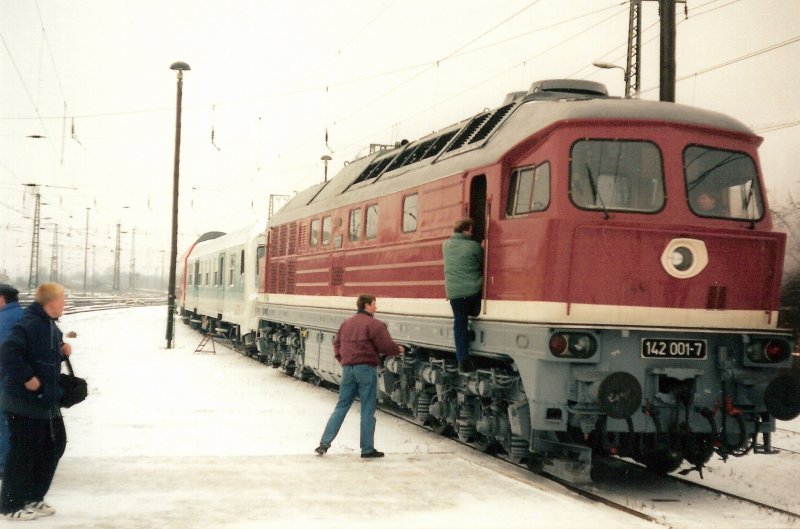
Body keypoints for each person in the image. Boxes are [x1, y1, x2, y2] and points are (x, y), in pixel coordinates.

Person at [0, 283, 71, 521]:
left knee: (54, 445)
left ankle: (33, 497)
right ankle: (10, 505)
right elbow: (9, 351)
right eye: (62, 300)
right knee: (23, 452)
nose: (64, 304)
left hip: (46, 399)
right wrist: (27, 378)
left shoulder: (48, 324)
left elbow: (41, 352)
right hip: (24, 401)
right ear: (51, 303)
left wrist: (62, 351)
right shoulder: (30, 323)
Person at [315, 294, 403, 459]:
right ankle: (367, 449)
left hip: (348, 370)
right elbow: (385, 346)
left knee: (341, 407)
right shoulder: (375, 325)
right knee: (367, 409)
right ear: (367, 306)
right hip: (366, 369)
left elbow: (337, 344)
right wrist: (399, 350)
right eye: (374, 304)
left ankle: (324, 444)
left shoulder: (346, 324)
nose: (376, 308)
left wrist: (343, 361)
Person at [442, 218, 483, 372]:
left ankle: (462, 360)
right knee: (469, 314)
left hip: (454, 294)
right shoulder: (474, 247)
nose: (472, 233)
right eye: (471, 230)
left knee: (459, 324)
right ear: (465, 230)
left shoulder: (445, 245)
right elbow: (482, 263)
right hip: (472, 292)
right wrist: (483, 248)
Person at [0, 284, 25, 480]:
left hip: (5, 380)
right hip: (26, 381)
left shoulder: (2, 320)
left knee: (3, 422)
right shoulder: (27, 316)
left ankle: (4, 464)